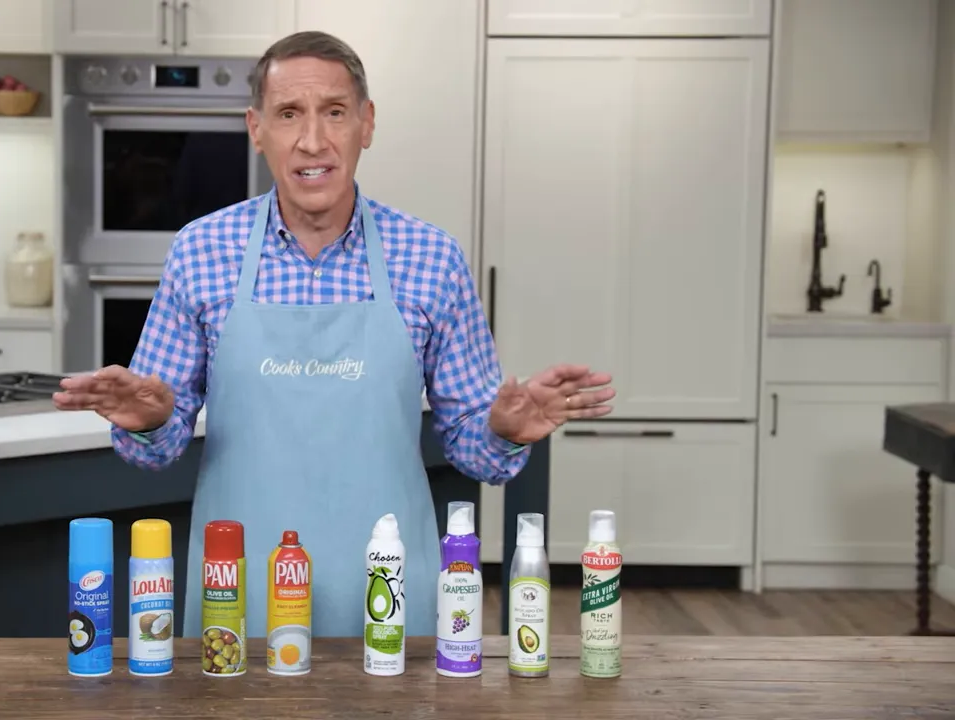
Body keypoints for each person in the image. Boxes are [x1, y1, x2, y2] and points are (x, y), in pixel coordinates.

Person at [53, 31, 615, 640]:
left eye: (335, 113)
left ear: (367, 124)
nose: (312, 140)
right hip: (237, 593)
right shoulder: (201, 251)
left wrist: (503, 431)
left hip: (389, 591)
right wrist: (151, 421)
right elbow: (154, 453)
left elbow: (473, 450)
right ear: (257, 127)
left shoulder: (431, 258)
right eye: (289, 114)